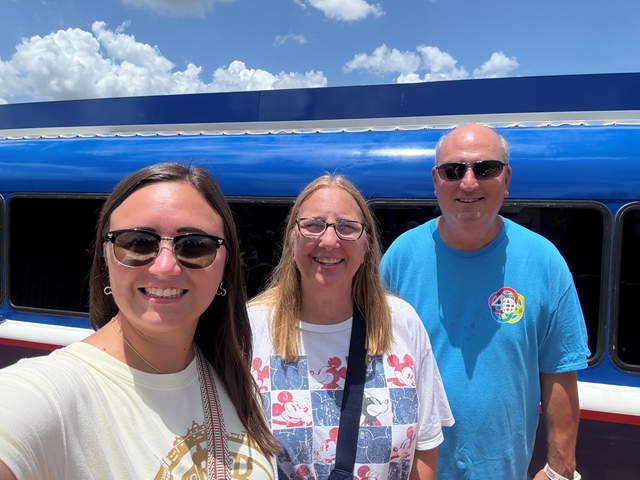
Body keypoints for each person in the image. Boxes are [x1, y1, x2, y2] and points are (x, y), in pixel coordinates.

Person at [0, 162, 279, 479]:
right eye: (137, 242)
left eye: (194, 246)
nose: (165, 266)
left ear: (225, 263)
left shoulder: (237, 382)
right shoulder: (51, 396)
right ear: (105, 256)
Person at [380, 124, 590, 480]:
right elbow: (373, 363)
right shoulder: (400, 258)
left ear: (506, 179)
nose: (468, 182)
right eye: (453, 170)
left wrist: (560, 469)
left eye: (485, 168)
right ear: (435, 180)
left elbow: (560, 370)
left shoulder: (544, 261)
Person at [248, 174, 453, 480]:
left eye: (347, 227)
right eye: (313, 225)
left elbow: (424, 449)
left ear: (367, 244)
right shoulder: (252, 326)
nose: (329, 241)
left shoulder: (401, 321)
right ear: (291, 238)